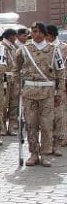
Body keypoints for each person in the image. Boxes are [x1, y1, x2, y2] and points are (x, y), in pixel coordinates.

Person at [15, 21, 64, 166]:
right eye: (34, 31)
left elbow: (61, 73)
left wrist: (59, 93)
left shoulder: (54, 50)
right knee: (31, 124)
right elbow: (15, 70)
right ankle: (34, 153)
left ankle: (45, 153)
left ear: (44, 33)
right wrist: (18, 87)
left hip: (47, 92)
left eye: (39, 32)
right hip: (30, 92)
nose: (36, 34)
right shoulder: (24, 50)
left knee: (47, 124)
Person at [45, 24, 67, 156]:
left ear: (50, 35)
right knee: (47, 115)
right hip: (46, 87)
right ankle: (49, 140)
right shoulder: (44, 49)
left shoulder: (64, 48)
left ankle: (60, 139)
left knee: (60, 114)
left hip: (60, 85)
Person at [1, 28, 19, 135]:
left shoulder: (14, 47)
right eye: (14, 36)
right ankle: (2, 127)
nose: (15, 38)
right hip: (5, 80)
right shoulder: (2, 47)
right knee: (3, 105)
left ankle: (11, 127)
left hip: (14, 80)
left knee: (14, 104)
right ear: (10, 36)